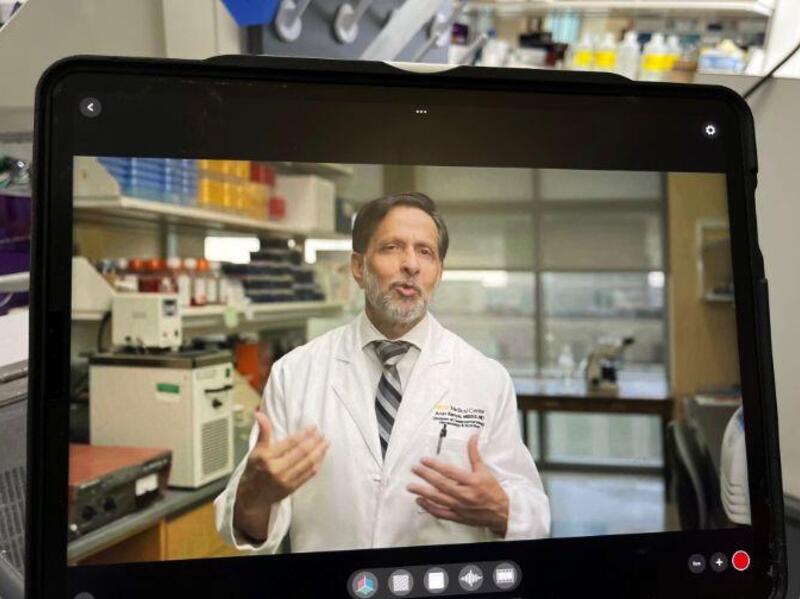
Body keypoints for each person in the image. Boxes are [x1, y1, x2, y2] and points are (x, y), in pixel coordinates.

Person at [215, 191, 550, 554]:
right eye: (392, 247)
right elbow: (250, 527)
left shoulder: (486, 378)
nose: (411, 265)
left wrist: (501, 509)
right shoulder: (295, 373)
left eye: (426, 252)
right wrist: (254, 495)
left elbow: (533, 512)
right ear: (358, 267)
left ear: (438, 273)